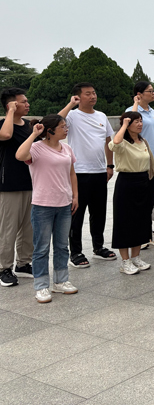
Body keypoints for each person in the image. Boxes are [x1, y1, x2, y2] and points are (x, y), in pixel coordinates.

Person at [15, 115, 79, 303]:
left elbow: (72, 173)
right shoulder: (36, 148)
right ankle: (41, 286)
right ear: (50, 130)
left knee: (62, 246)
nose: (66, 129)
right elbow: (19, 155)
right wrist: (34, 134)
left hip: (64, 203)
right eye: (62, 127)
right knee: (41, 248)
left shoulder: (67, 148)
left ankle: (61, 281)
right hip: (42, 205)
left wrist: (75, 195)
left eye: (66, 126)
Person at [57, 83, 116, 268]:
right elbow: (55, 122)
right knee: (77, 214)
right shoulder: (72, 116)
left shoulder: (101, 116)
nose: (93, 96)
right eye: (88, 94)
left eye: (94, 93)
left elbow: (108, 141)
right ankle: (75, 252)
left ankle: (99, 247)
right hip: (79, 172)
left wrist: (109, 165)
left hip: (99, 171)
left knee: (99, 213)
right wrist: (70, 105)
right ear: (78, 97)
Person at [108, 112, 154, 275]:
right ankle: (125, 261)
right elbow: (114, 143)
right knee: (124, 221)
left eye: (141, 121)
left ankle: (136, 257)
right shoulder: (122, 142)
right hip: (126, 183)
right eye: (136, 122)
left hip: (143, 182)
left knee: (141, 221)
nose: (140, 124)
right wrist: (124, 125)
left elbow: (153, 163)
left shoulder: (143, 141)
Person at [0, 88, 34, 287]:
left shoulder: (29, 125)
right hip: (9, 184)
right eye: (23, 101)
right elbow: (5, 135)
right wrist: (10, 112)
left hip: (30, 182)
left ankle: (23, 263)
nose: (27, 104)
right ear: (11, 104)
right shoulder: (3, 125)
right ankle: (4, 268)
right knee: (8, 228)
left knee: (28, 227)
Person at [127, 81, 154, 246]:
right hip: (139, 158)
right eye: (150, 91)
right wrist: (136, 104)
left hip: (153, 157)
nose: (153, 93)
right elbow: (130, 123)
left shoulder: (152, 112)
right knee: (139, 198)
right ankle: (139, 234)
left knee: (151, 196)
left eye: (153, 90)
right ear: (139, 94)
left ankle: (148, 232)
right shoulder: (132, 110)